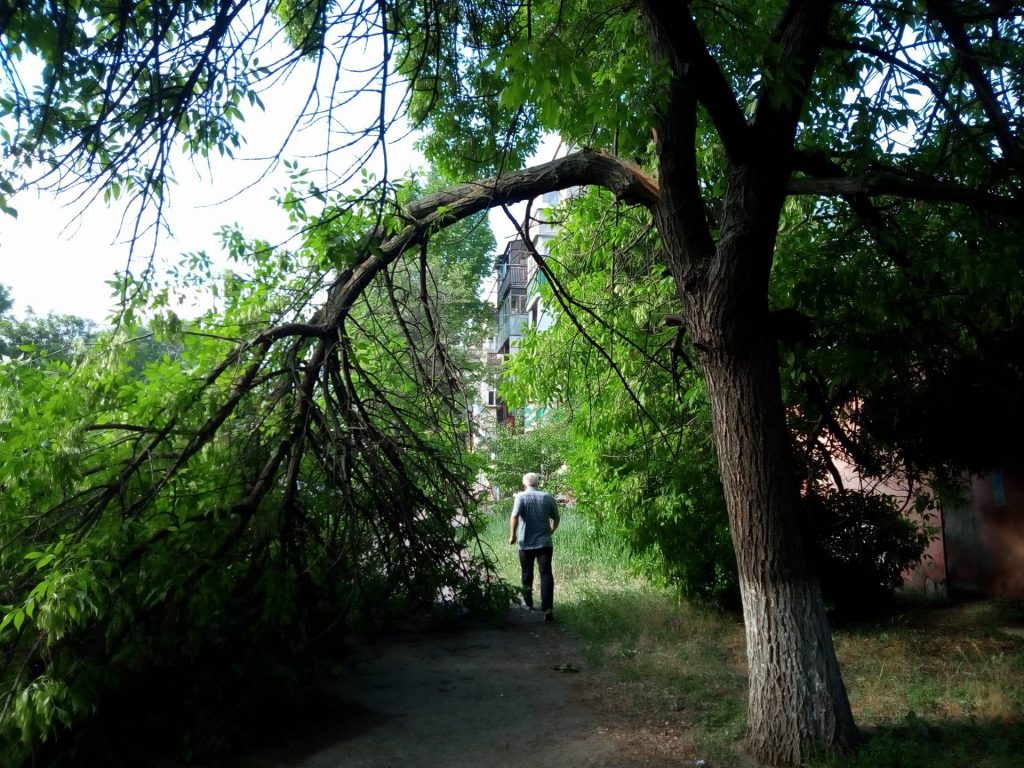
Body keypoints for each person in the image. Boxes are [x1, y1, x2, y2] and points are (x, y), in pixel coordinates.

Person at [508, 472, 560, 621]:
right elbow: (556, 517)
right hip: (544, 543)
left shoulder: (520, 497)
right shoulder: (547, 497)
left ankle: (528, 603)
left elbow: (515, 516)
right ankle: (548, 608)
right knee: (546, 574)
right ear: (537, 483)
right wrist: (552, 529)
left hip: (525, 543)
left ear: (525, 484)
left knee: (526, 573)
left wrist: (512, 536)